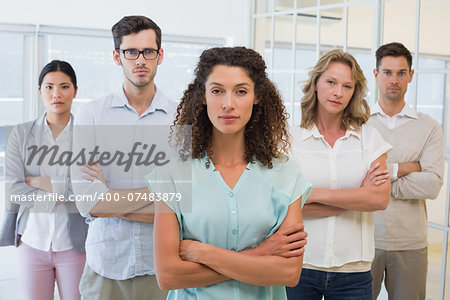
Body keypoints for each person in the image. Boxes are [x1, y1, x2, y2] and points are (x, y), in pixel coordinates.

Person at [144, 46, 312, 300]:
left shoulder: (286, 174)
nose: (228, 104)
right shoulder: (172, 175)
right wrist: (260, 253)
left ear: (257, 97)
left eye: (241, 91)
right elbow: (168, 276)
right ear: (203, 96)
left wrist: (203, 253)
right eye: (217, 91)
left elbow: (288, 272)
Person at [70, 16, 177, 300]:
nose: (140, 60)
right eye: (131, 52)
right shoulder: (91, 115)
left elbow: (183, 207)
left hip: (162, 268)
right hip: (105, 266)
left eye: (148, 51)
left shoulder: (181, 119)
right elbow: (89, 202)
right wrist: (158, 192)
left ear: (160, 55)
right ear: (117, 57)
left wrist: (110, 199)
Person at [287, 49, 392, 299]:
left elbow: (379, 199)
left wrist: (313, 194)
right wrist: (358, 197)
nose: (338, 92)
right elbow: (284, 207)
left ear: (354, 92)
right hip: (300, 265)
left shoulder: (369, 139)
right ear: (315, 84)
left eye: (347, 86)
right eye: (331, 82)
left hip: (353, 273)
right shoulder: (291, 140)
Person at [0, 60, 88, 300]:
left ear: (76, 90)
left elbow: (89, 191)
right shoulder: (21, 133)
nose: (56, 94)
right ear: (39, 90)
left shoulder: (87, 135)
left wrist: (45, 184)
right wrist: (62, 195)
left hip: (75, 244)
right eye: (49, 87)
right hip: (31, 242)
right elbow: (15, 190)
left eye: (64, 86)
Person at [369, 42, 444, 300]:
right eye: (387, 72)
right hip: (364, 240)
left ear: (411, 76)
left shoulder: (429, 127)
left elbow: (432, 184)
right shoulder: (358, 123)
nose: (394, 79)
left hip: (411, 242)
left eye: (401, 72)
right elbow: (353, 178)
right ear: (376, 75)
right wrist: (403, 168)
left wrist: (381, 180)